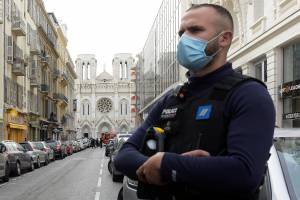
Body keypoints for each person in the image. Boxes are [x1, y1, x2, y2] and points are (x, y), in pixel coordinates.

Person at [115, 3, 275, 200]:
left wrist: (166, 165)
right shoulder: (171, 100)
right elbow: (123, 156)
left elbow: (244, 173)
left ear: (224, 39)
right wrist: (168, 166)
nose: (184, 39)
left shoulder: (248, 94)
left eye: (195, 30)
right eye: (182, 33)